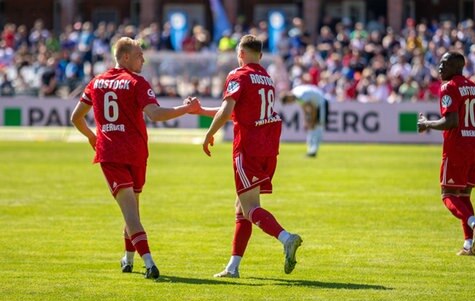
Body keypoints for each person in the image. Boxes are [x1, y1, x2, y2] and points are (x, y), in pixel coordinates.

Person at [71, 37, 200, 279]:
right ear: (126, 57)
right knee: (131, 211)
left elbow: (76, 117)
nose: (144, 59)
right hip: (135, 153)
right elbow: (155, 114)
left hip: (111, 152)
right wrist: (186, 109)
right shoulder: (137, 82)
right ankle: (149, 262)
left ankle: (128, 259)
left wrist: (92, 137)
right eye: (140, 54)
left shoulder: (97, 82)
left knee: (131, 211)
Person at [189, 34, 303, 278]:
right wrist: (201, 110)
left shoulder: (237, 75)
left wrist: (209, 134)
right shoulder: (266, 78)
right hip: (268, 147)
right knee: (241, 207)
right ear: (260, 56)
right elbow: (235, 112)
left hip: (248, 146)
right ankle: (233, 267)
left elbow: (228, 109)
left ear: (240, 54)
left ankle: (286, 238)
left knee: (250, 207)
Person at [417, 51, 475, 256]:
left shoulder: (449, 87)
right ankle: (468, 245)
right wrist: (474, 132)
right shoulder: (474, 87)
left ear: (456, 67)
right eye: (440, 63)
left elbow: (450, 121)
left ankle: (474, 222)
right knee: (463, 195)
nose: (440, 67)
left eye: (445, 64)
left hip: (457, 150)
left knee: (448, 195)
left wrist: (427, 124)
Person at [280, 84, 329, 157]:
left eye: (288, 102)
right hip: (316, 103)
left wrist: (312, 121)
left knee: (318, 125)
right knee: (311, 127)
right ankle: (311, 150)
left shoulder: (301, 95)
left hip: (321, 103)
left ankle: (313, 150)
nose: (290, 103)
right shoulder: (295, 94)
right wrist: (307, 120)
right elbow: (304, 107)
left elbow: (312, 108)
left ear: (288, 98)